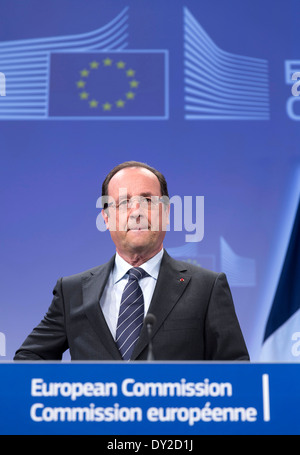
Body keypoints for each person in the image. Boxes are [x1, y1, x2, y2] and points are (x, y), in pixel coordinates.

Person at [14, 161, 249, 361]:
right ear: (106, 217)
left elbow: (237, 372)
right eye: (124, 202)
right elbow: (29, 360)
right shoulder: (72, 291)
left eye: (147, 200)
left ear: (166, 214)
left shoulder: (207, 288)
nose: (136, 212)